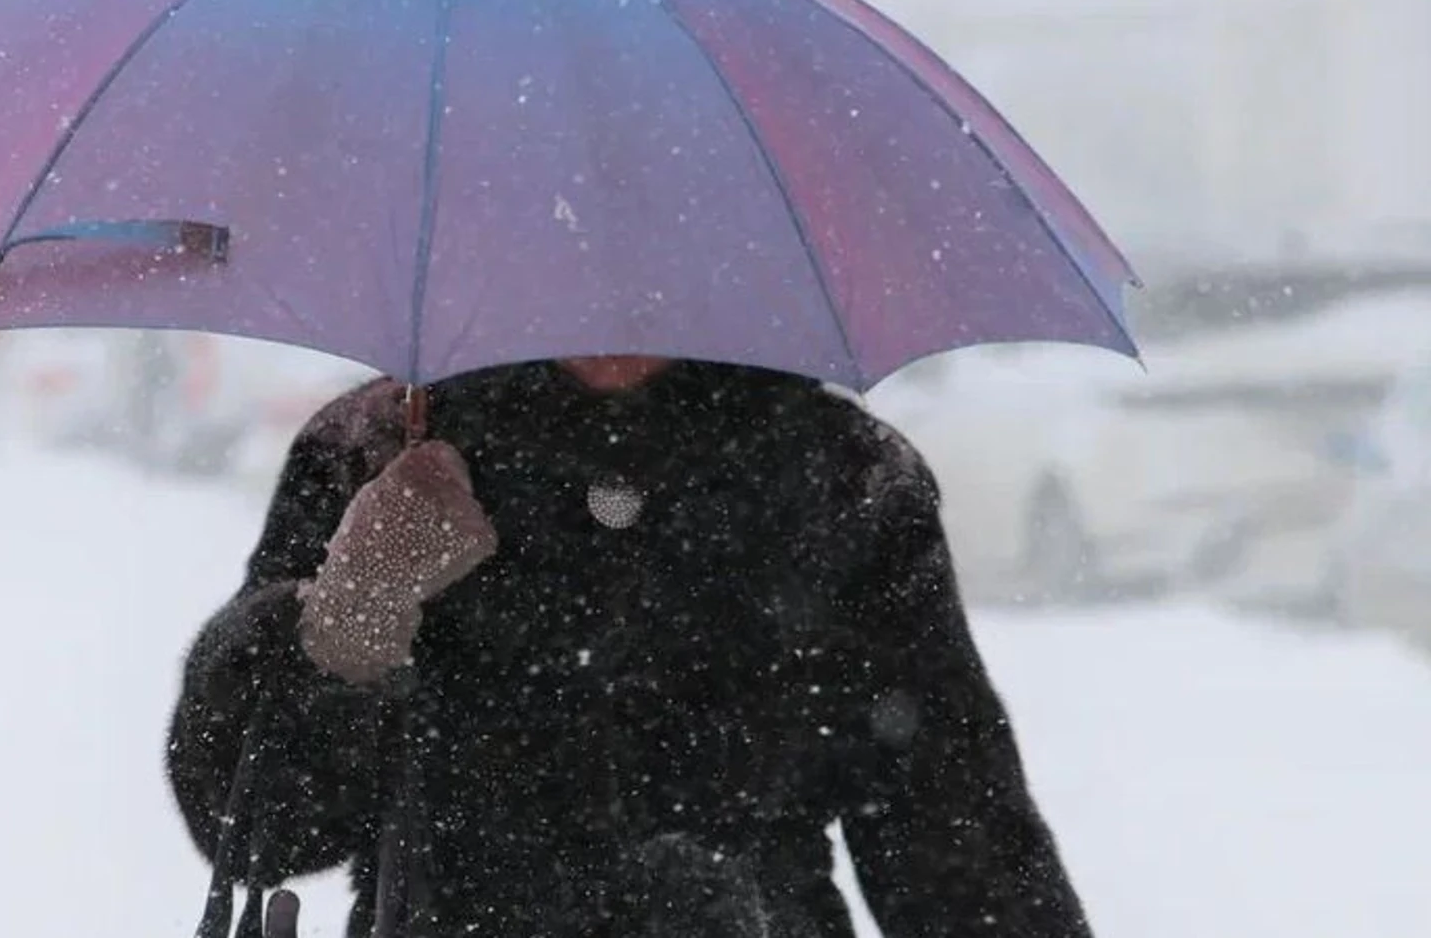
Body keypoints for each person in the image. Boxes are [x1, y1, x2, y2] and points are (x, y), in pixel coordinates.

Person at [167, 356, 1094, 938]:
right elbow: (259, 836)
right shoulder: (383, 450)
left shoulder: (838, 471)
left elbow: (948, 823)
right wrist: (346, 619)